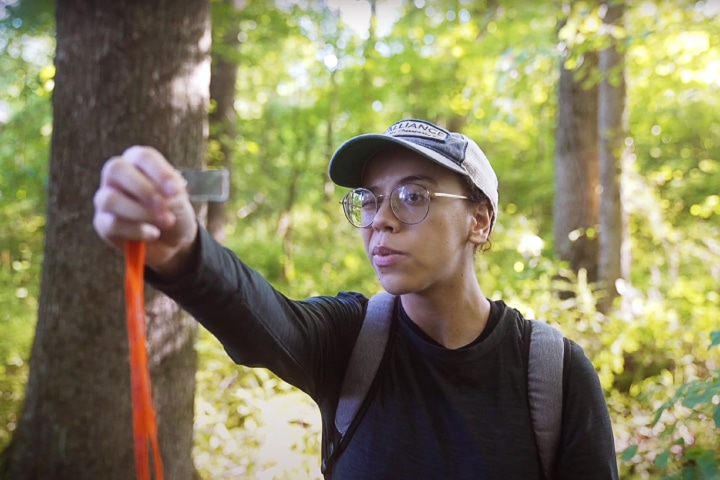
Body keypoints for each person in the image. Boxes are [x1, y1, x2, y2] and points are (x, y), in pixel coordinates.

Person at [93, 119, 619, 479]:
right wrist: (186, 251)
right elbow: (267, 321)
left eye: (413, 195)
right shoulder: (351, 340)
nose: (381, 219)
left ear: (478, 221)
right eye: (369, 200)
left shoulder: (554, 374)